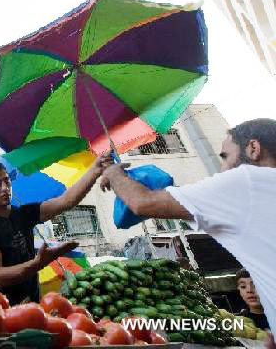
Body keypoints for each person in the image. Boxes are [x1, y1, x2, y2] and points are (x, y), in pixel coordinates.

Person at [99, 118, 276, 338]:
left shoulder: (248, 181)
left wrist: (114, 173)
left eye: (226, 157)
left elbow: (141, 203)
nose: (222, 169)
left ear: (253, 148)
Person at [0, 155, 111, 305]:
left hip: (33, 302)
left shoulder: (24, 214)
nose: (5, 188)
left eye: (7, 181)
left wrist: (95, 171)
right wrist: (37, 264)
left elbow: (66, 201)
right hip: (3, 308)